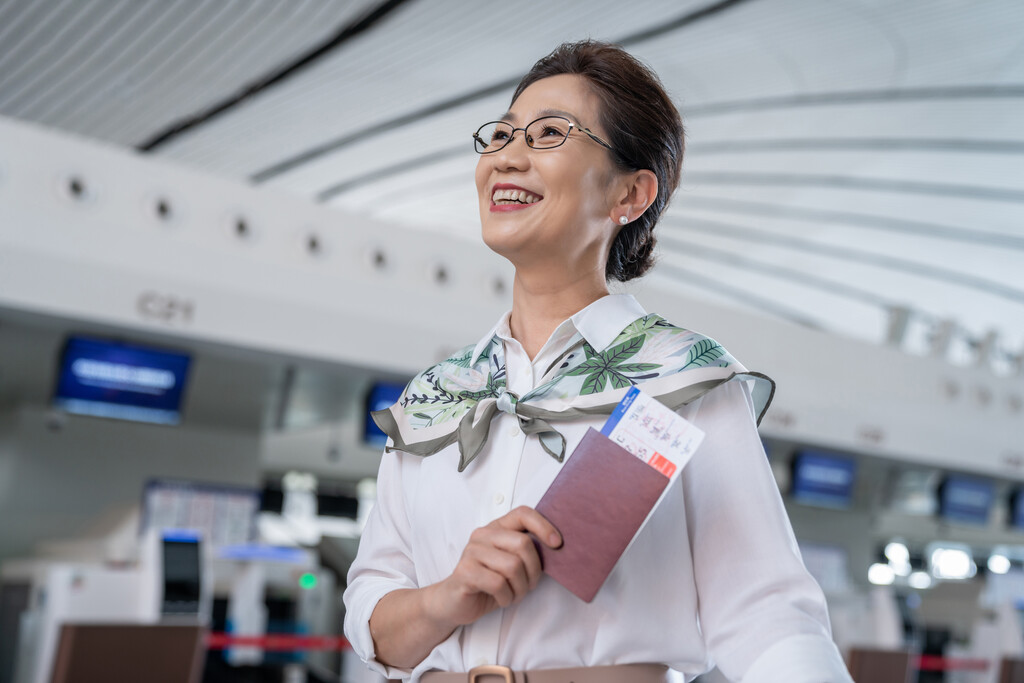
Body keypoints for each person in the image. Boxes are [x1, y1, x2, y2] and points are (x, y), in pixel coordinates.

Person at [344, 40, 854, 683]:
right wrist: (448, 596)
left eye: (549, 134)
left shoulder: (682, 379)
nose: (507, 156)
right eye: (501, 135)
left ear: (631, 195)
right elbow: (372, 619)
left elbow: (766, 614)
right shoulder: (436, 396)